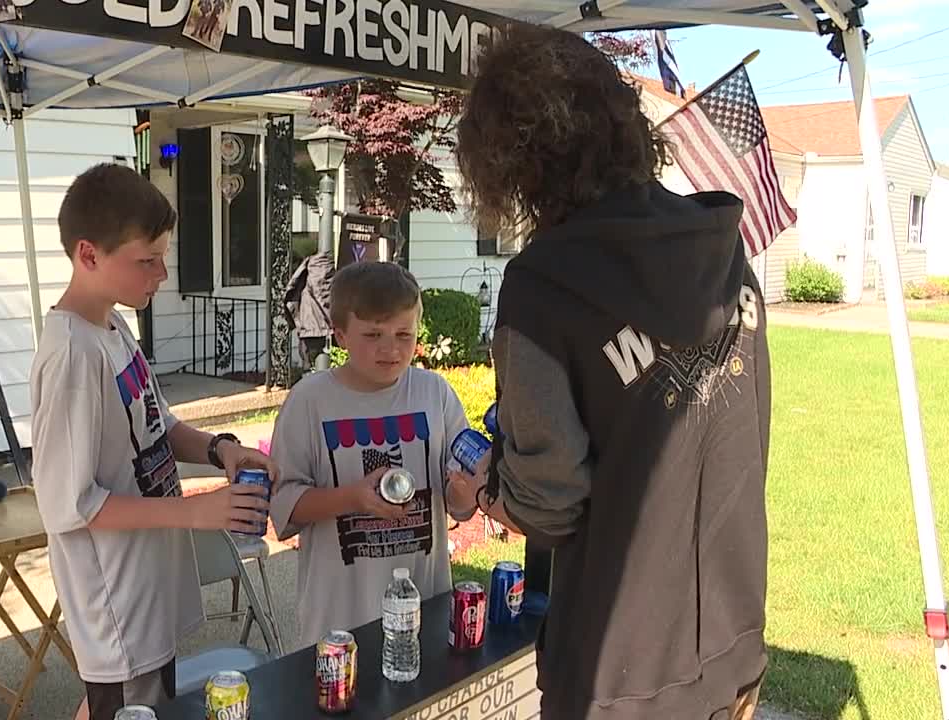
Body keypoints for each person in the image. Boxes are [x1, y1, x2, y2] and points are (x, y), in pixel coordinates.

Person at [445, 23, 772, 720]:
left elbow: (547, 501)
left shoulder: (545, 286)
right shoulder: (720, 244)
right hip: (736, 647)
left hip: (617, 676)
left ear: (509, 161)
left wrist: (482, 493)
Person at [29, 163, 278, 720]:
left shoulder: (112, 327)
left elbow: (158, 424)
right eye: (147, 260)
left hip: (146, 588)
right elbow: (71, 505)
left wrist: (222, 450)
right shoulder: (72, 354)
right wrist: (197, 512)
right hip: (114, 605)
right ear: (88, 254)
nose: (162, 273)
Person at [269, 261, 476, 649]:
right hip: (340, 618)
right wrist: (352, 498)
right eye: (373, 334)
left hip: (424, 610)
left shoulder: (435, 393)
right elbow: (283, 505)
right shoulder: (310, 402)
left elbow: (459, 500)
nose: (391, 348)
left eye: (404, 334)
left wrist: (464, 493)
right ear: (340, 334)